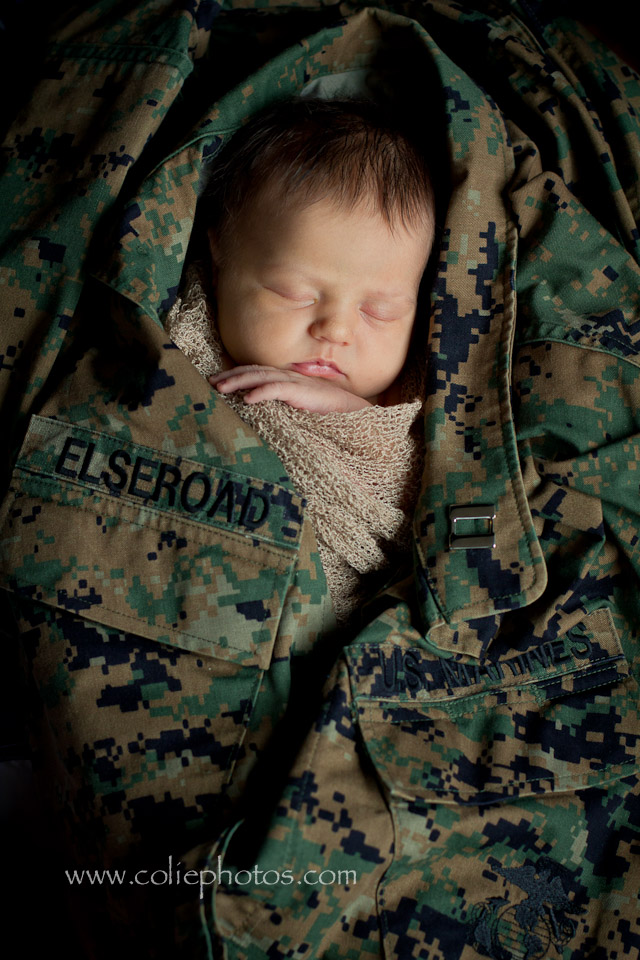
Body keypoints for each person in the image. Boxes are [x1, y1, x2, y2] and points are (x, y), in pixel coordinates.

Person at [167, 98, 435, 623]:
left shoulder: (413, 406)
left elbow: (423, 513)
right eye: (294, 293)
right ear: (219, 252)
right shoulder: (181, 340)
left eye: (379, 312)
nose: (335, 330)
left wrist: (349, 418)